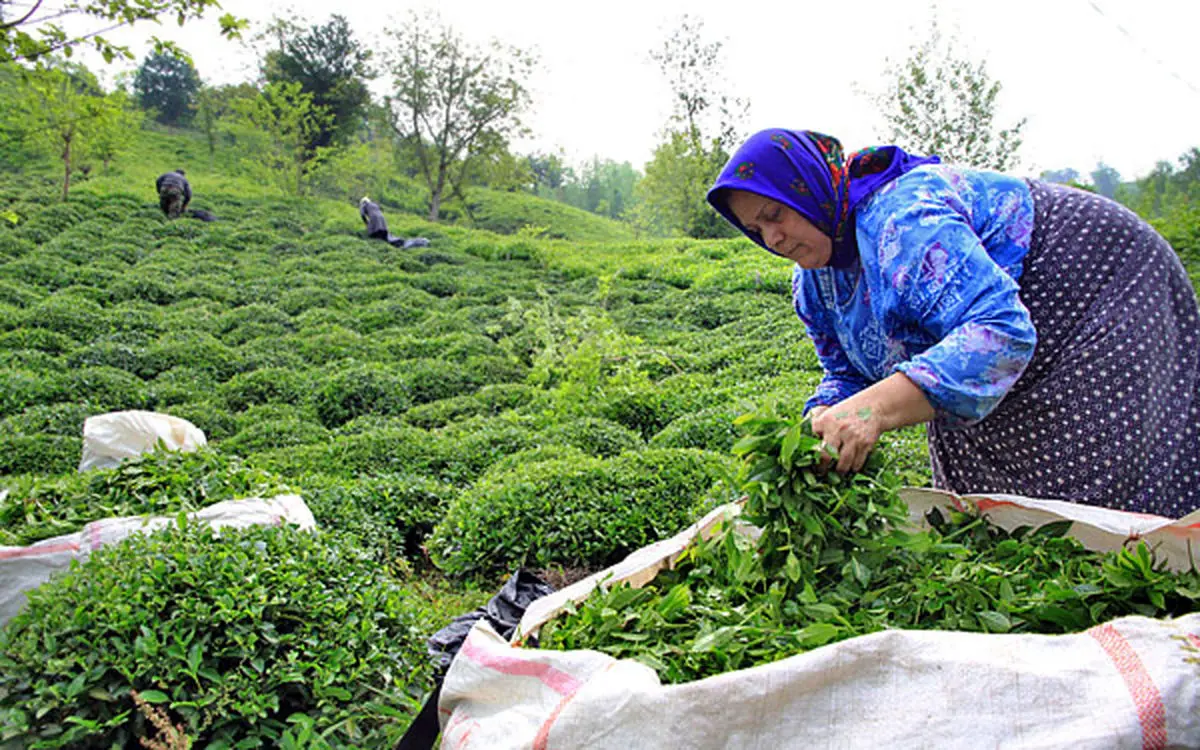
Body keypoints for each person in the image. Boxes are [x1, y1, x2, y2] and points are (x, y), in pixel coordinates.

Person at [706, 128, 1200, 518]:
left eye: (776, 214)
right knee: (980, 488)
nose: (772, 238)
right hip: (1003, 323)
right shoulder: (813, 283)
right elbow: (848, 375)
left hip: (1092, 281)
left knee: (1088, 479)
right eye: (756, 230)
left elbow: (998, 334)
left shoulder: (902, 219)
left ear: (806, 189)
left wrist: (874, 411)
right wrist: (815, 427)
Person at [360, 196, 431, 249]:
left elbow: (362, 214)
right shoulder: (374, 204)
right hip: (382, 220)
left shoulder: (364, 204)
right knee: (384, 235)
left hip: (375, 220)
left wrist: (367, 223)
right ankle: (420, 241)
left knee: (375, 234)